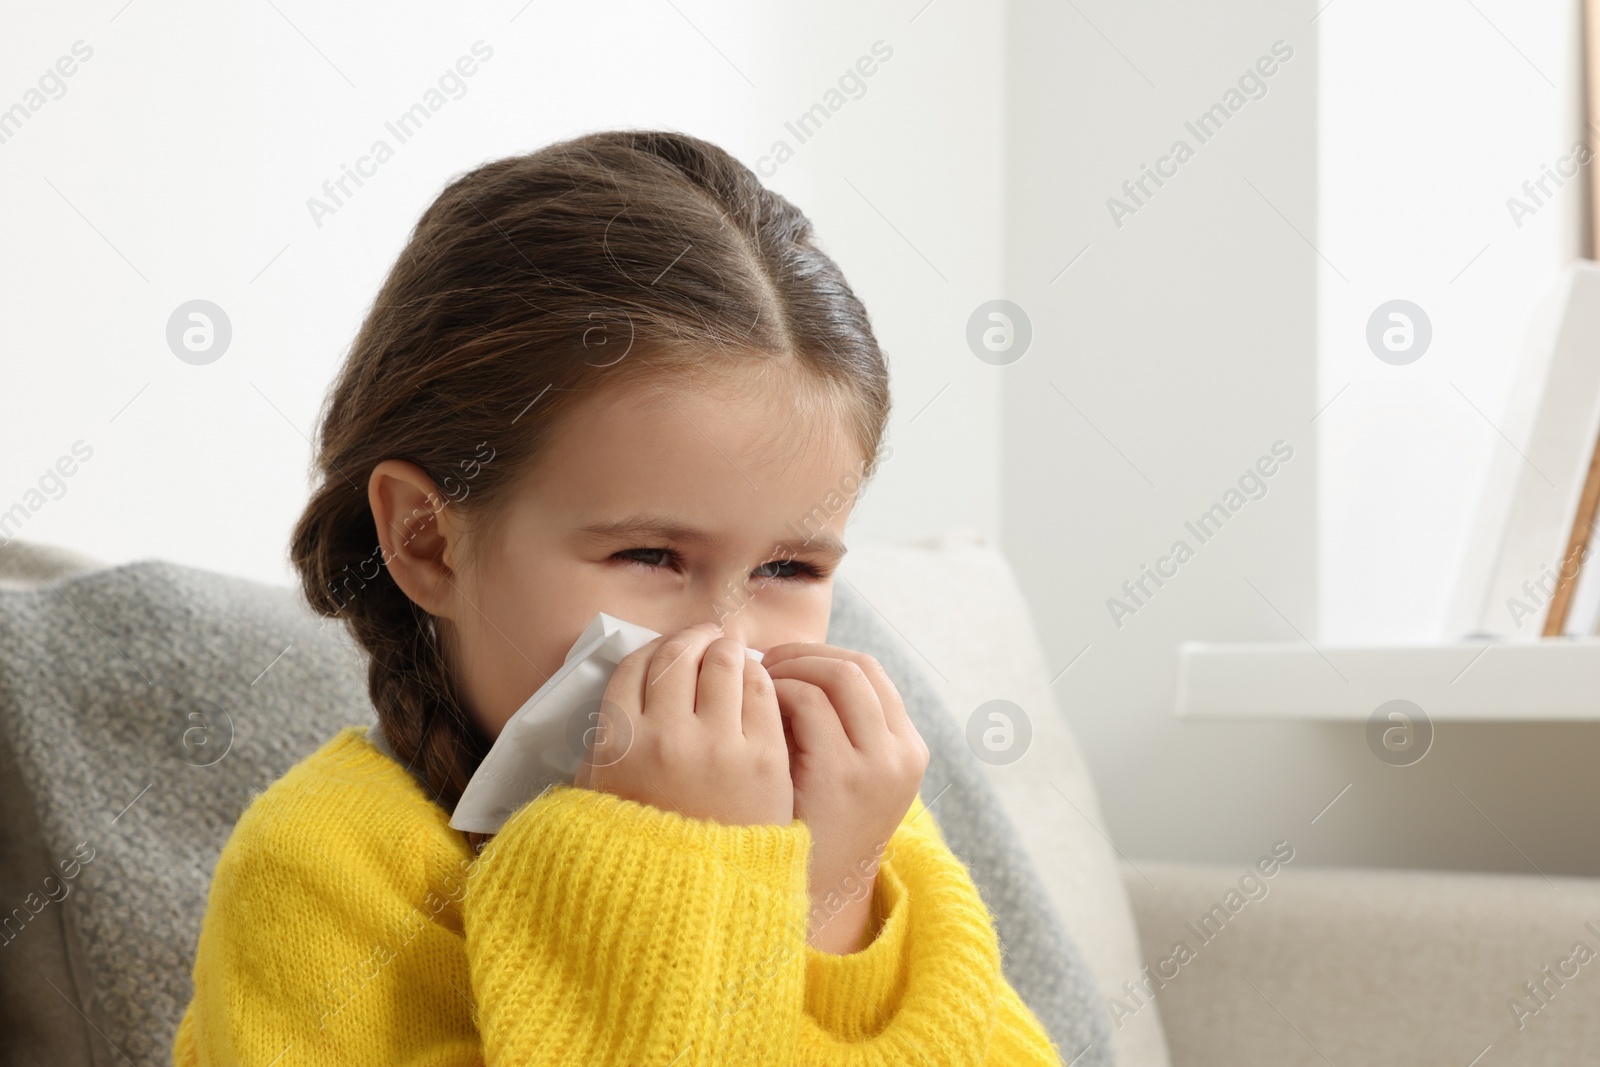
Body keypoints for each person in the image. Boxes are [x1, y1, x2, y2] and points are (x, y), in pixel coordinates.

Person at [172, 128, 1063, 1065]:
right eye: (651, 554)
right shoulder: (320, 868)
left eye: (788, 570)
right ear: (427, 540)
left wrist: (830, 909)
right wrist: (687, 877)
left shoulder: (856, 820)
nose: (723, 644)